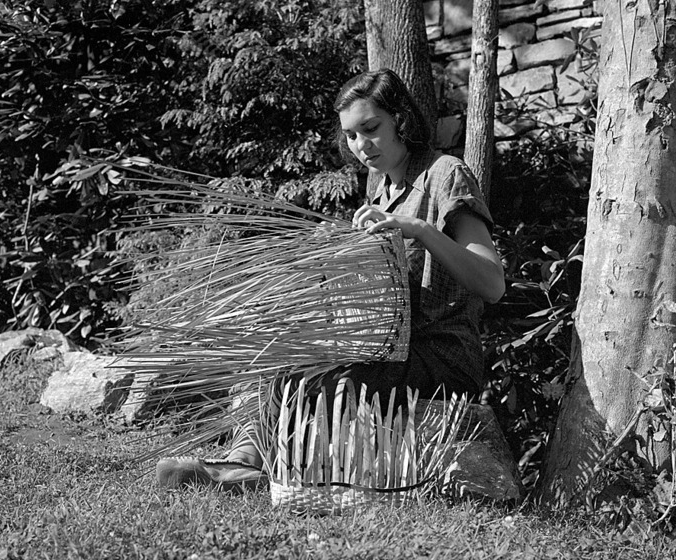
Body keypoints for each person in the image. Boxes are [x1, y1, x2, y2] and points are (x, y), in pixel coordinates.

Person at [156, 68, 505, 490]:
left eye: (370, 128)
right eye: (351, 135)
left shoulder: (445, 173)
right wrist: (335, 254)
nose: (361, 146)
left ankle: (248, 473)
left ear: (402, 120)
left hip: (442, 355)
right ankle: (241, 463)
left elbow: (492, 283)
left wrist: (420, 229)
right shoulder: (379, 191)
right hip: (388, 353)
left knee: (326, 377)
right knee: (275, 354)